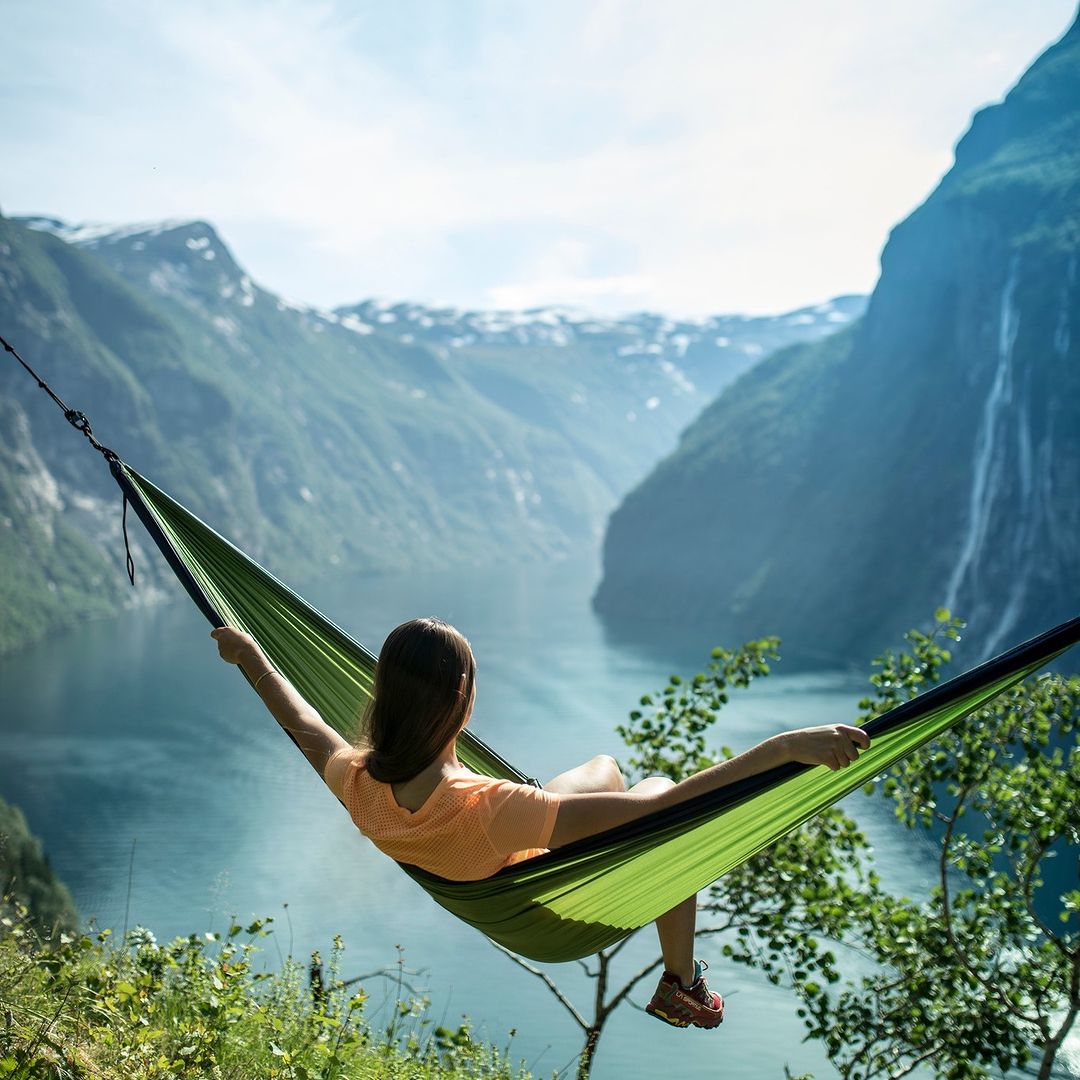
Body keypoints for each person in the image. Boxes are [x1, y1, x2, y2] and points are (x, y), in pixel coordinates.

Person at [211, 616, 870, 1031]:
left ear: (381, 693)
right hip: (537, 875)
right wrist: (784, 747)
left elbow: (304, 725)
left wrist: (251, 659)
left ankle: (607, 781)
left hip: (495, 859)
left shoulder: (356, 781)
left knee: (604, 767)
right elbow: (661, 815)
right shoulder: (490, 806)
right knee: (659, 789)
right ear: (463, 701)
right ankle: (682, 983)